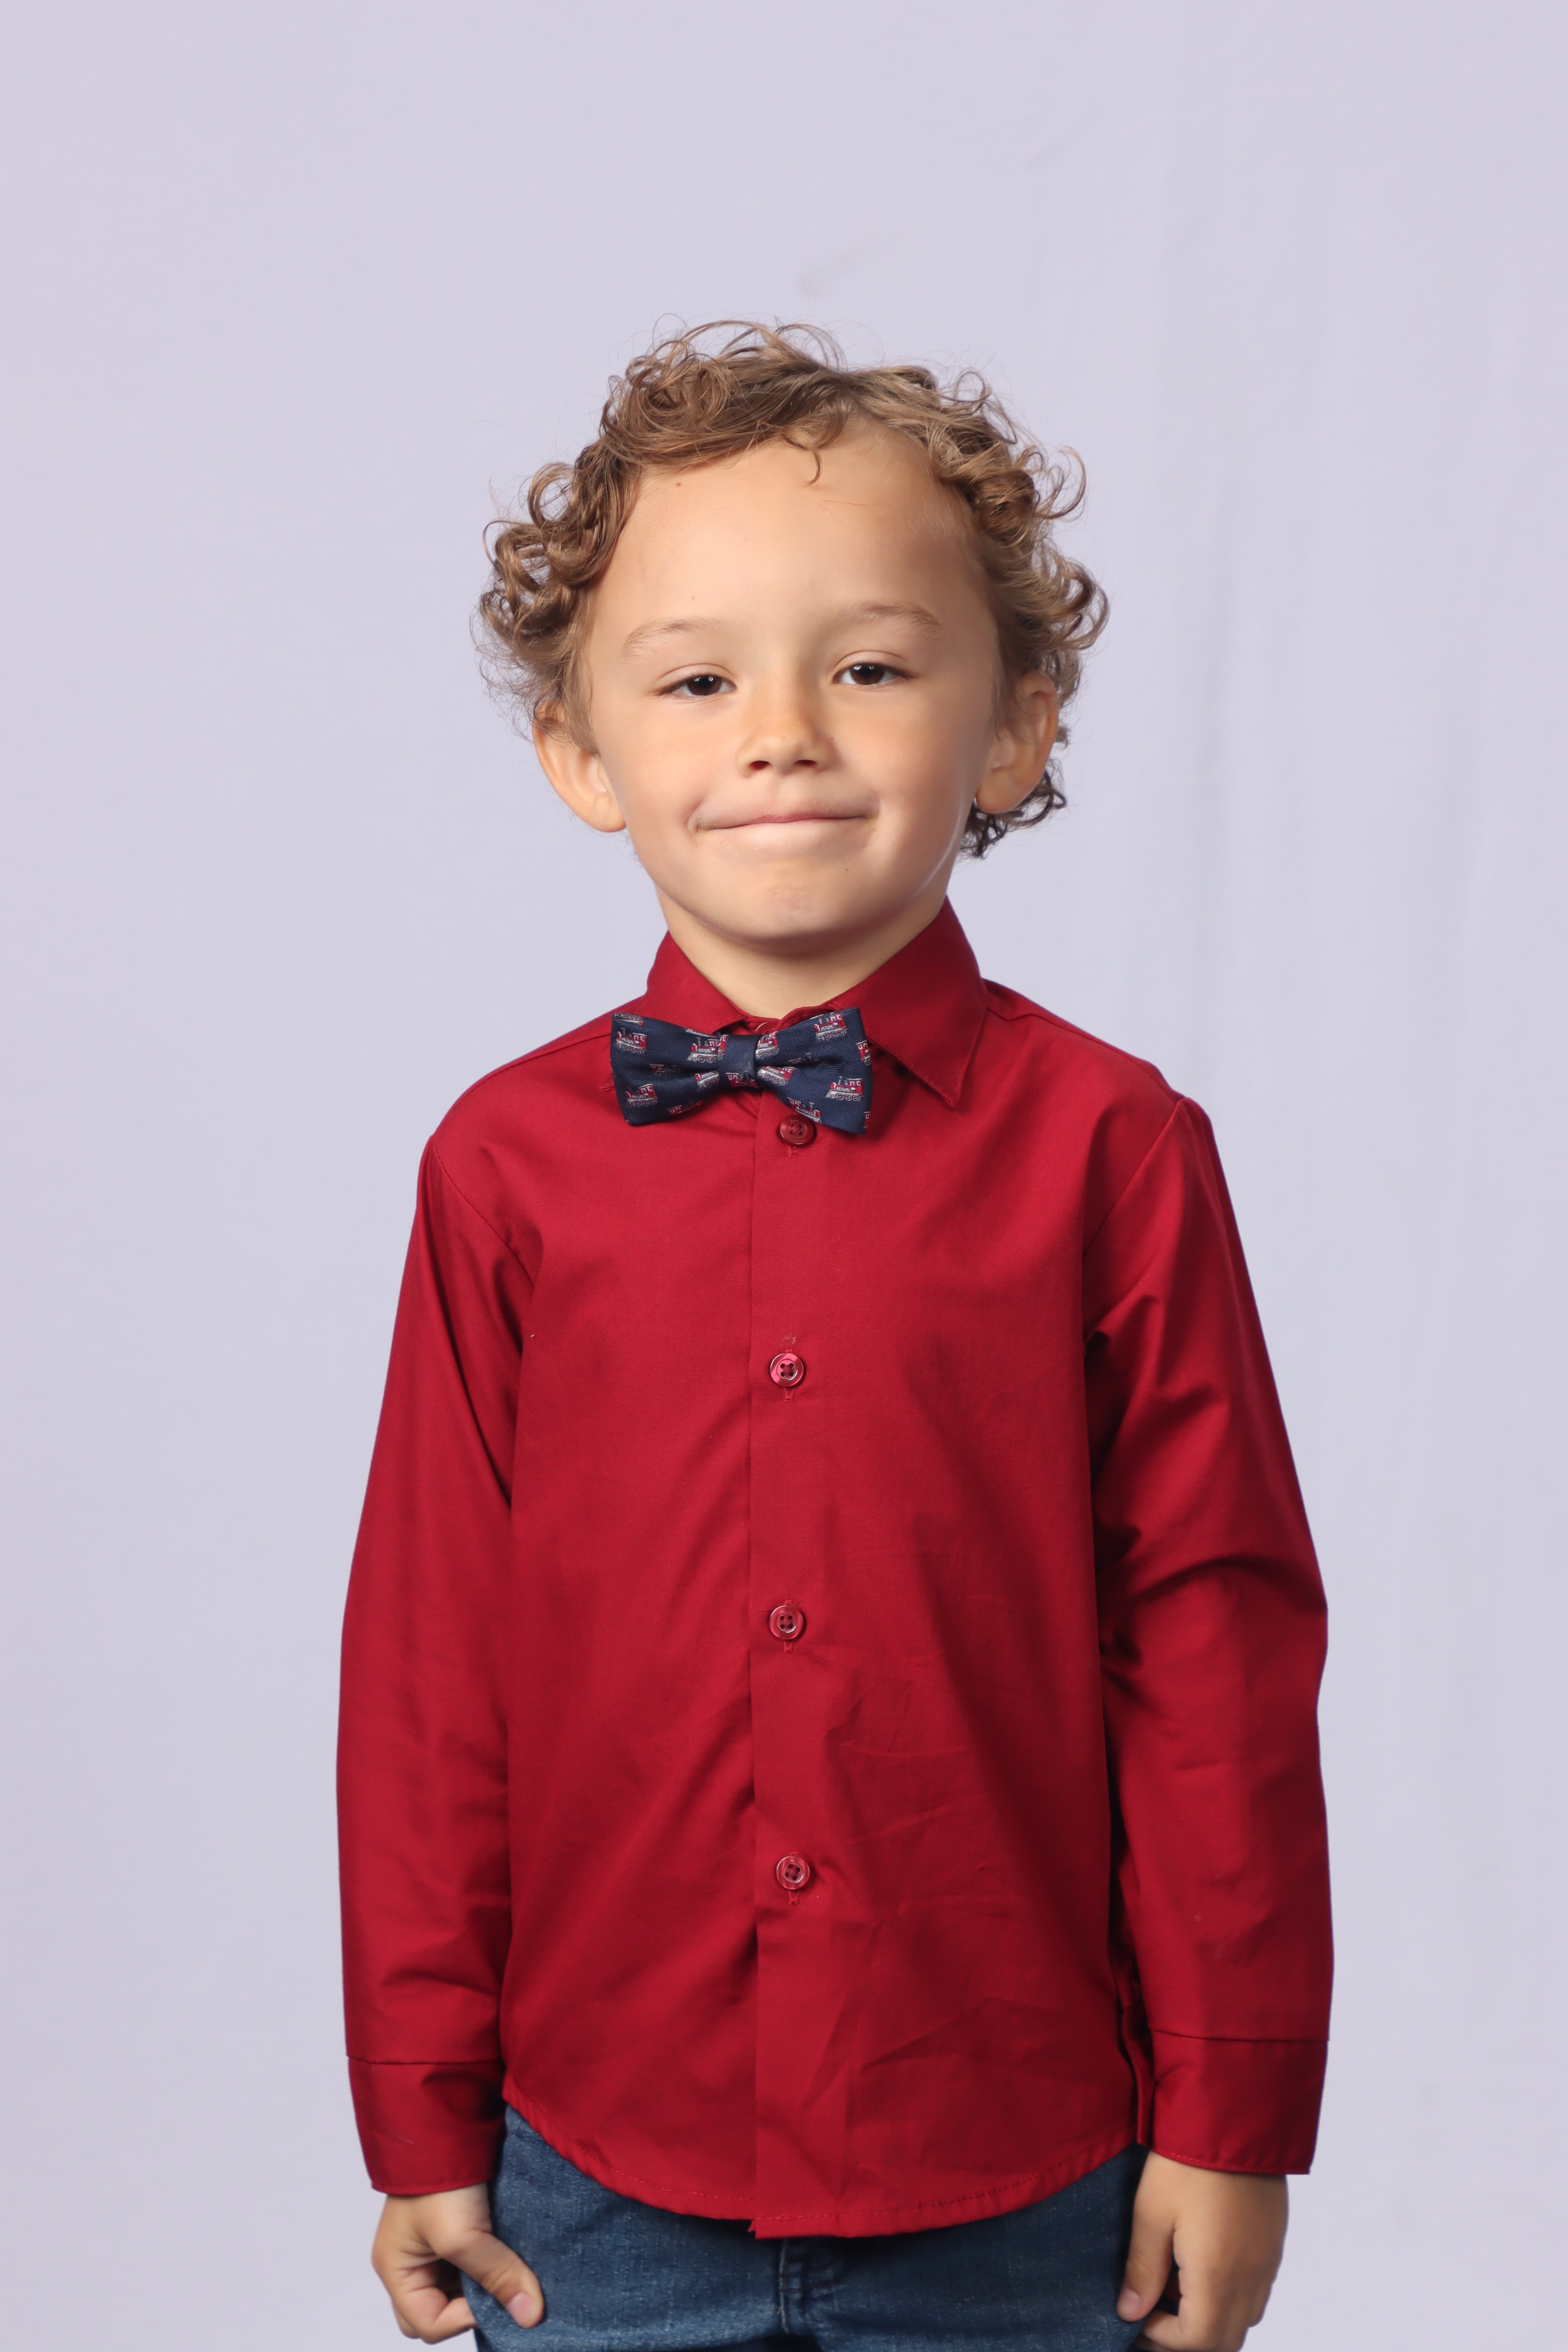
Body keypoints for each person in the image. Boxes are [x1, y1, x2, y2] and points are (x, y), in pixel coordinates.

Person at [338, 323, 1331, 2352]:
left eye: (868, 668)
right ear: (582, 755)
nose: (781, 734)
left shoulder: (1116, 1149)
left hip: (1026, 2179)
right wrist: (420, 2105)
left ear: (1014, 728)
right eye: (697, 679)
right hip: (591, 2177)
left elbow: (1213, 1648)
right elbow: (433, 1666)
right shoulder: (501, 1167)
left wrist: (1234, 2117)